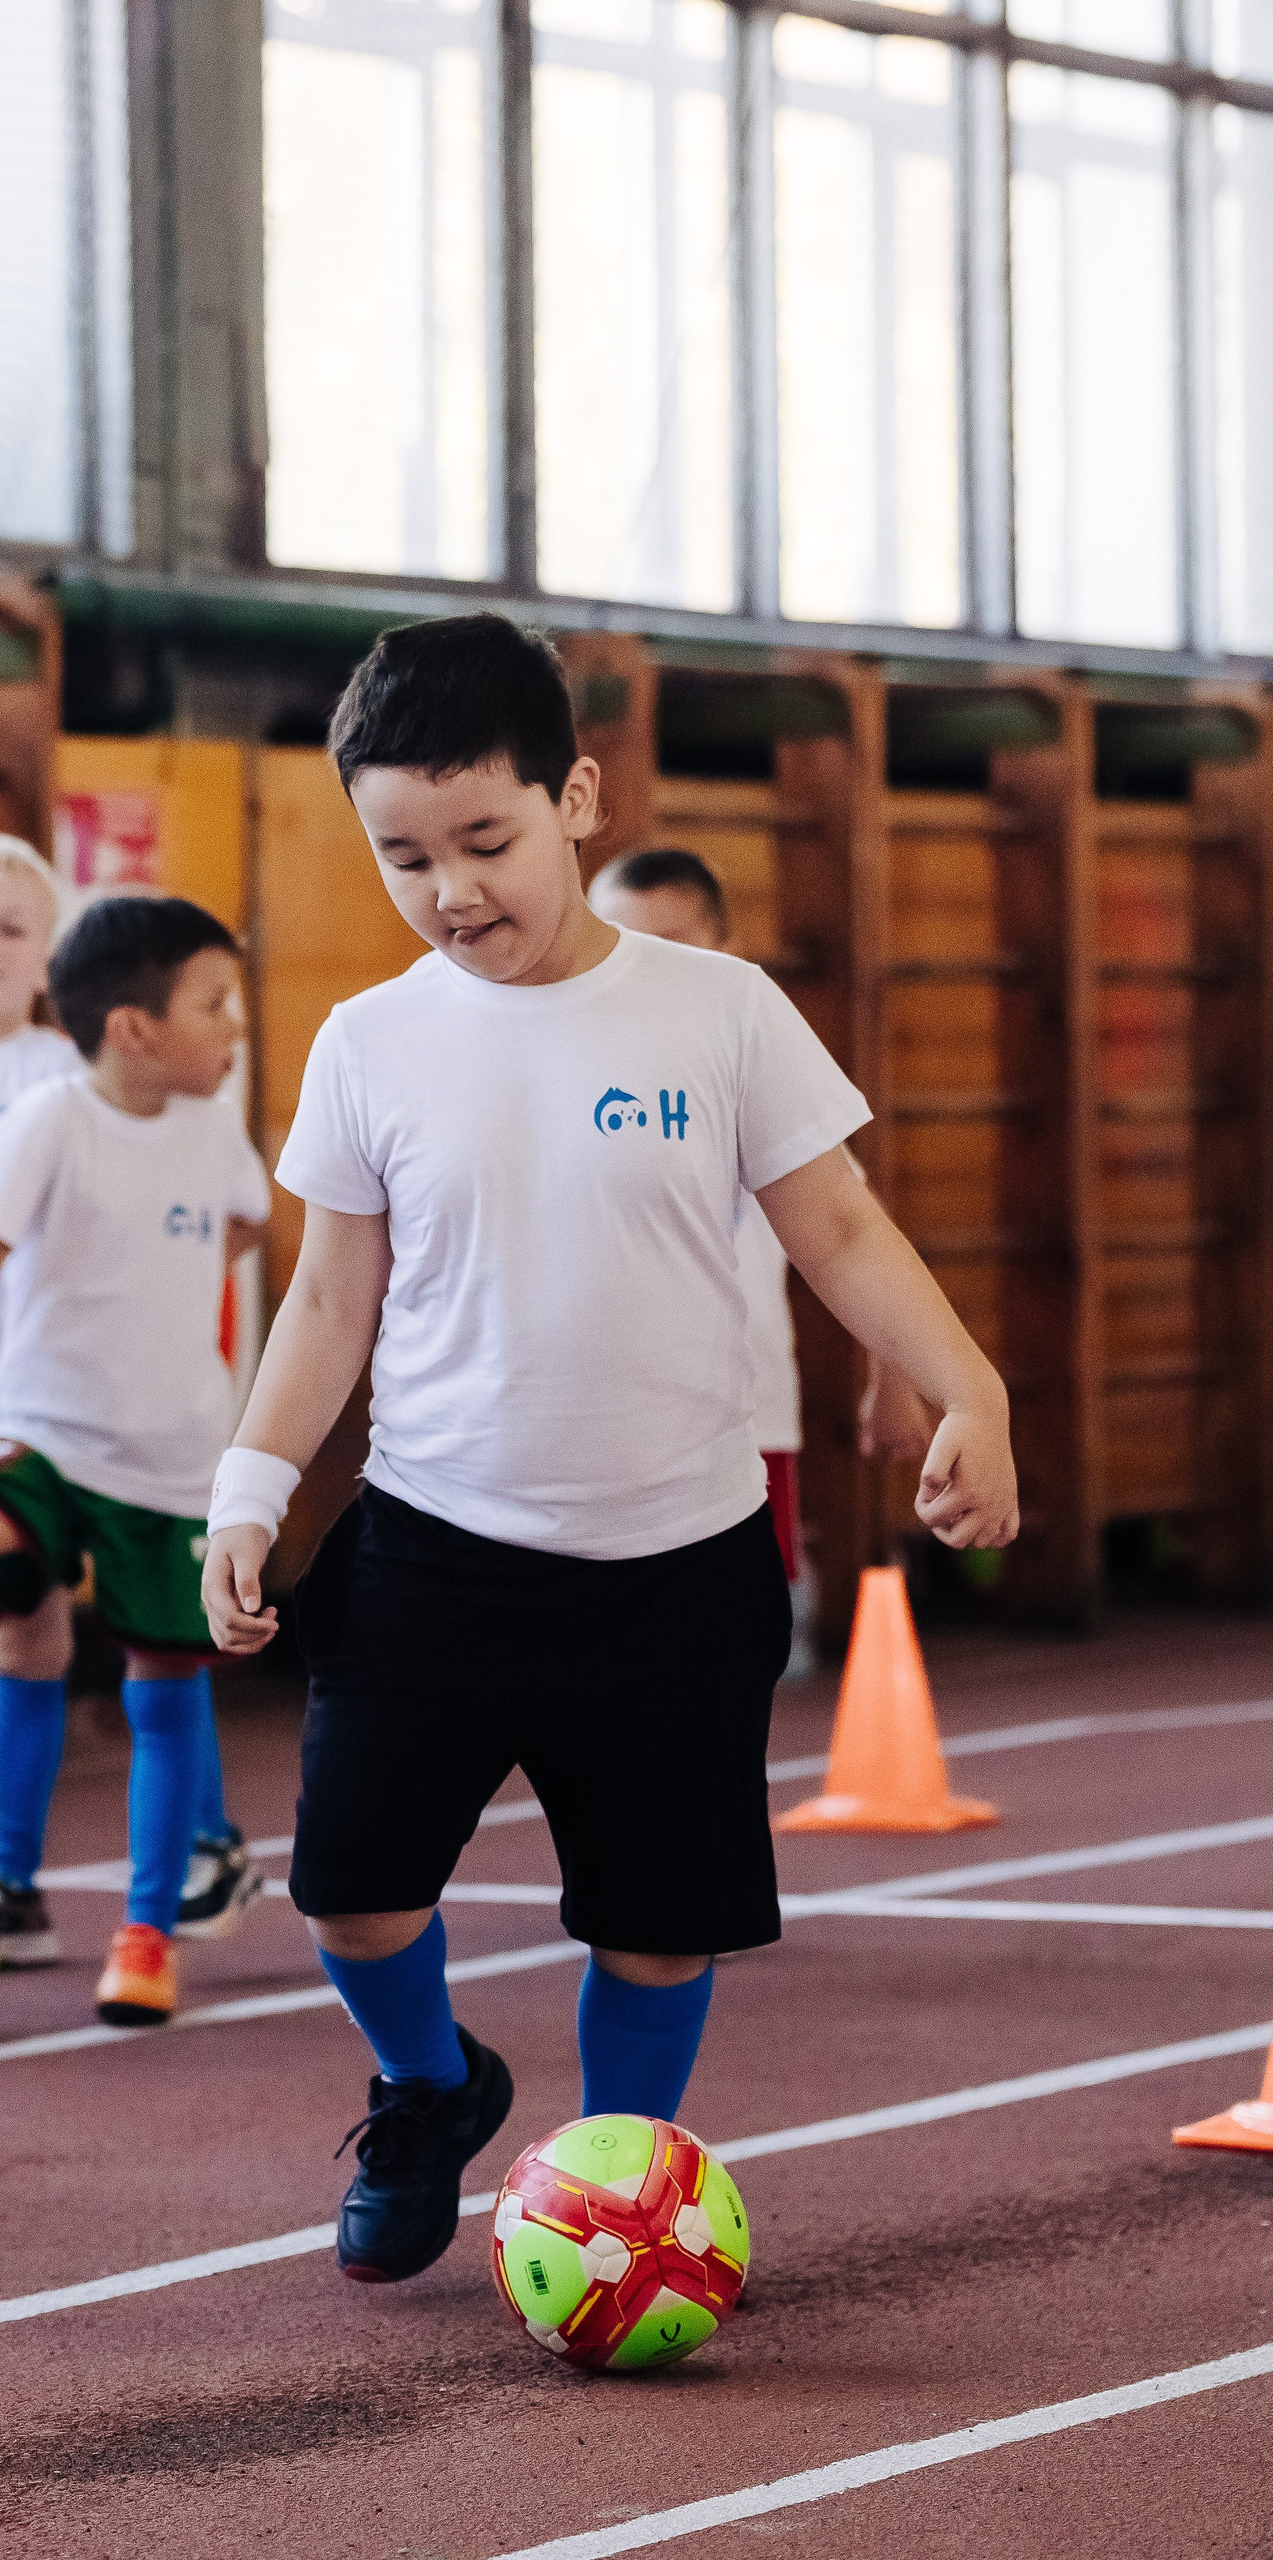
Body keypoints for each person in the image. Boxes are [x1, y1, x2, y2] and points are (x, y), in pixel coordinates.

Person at [202, 616, 1017, 2285]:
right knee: (348, 1897)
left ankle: (624, 2181)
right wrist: (253, 1482)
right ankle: (431, 2088)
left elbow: (843, 1229)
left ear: (574, 798)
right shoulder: (372, 1041)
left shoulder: (715, 1013)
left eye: (486, 841)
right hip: (434, 1549)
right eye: (403, 856)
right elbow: (327, 1303)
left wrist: (968, 1387)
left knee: (656, 1930)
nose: (450, 890)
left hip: (679, 1564)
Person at [0, 845, 261, 1956]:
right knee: (3, 1613)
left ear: (48, 965)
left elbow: (224, 1210)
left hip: (60, 1399)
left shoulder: (61, 1076)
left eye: (10, 927)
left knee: (103, 1630)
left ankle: (186, 1840)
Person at [588, 848, 938, 1650]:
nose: (650, 967)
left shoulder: (751, 1071)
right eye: (623, 941)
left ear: (728, 950)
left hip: (747, 1416)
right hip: (616, 1426)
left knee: (733, 1642)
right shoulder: (575, 1070)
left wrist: (896, 1380)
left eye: (675, 942)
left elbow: (857, 1231)